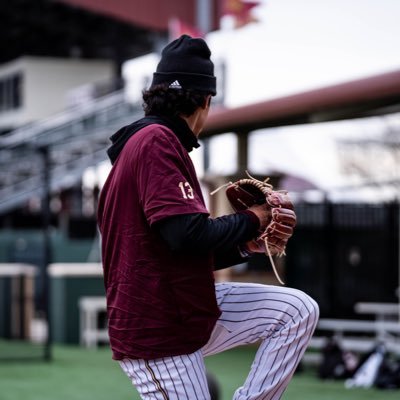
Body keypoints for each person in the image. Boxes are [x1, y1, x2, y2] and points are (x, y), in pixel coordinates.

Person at [97, 34, 319, 400]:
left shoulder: (147, 141)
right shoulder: (156, 141)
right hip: (158, 329)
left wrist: (245, 246)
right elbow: (186, 234)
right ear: (205, 99)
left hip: (180, 304)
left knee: (296, 311)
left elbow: (179, 248)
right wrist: (255, 217)